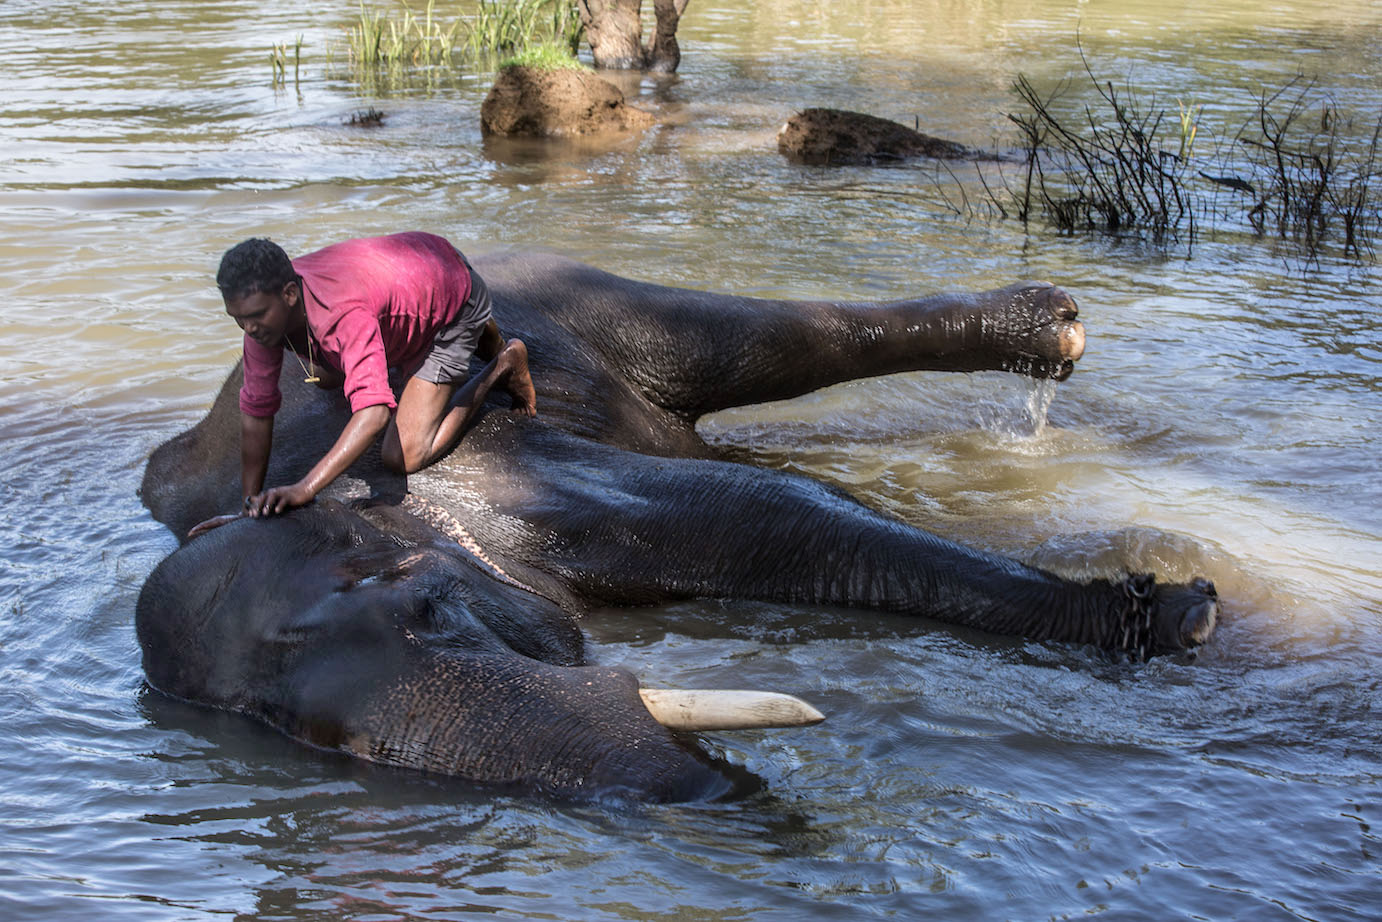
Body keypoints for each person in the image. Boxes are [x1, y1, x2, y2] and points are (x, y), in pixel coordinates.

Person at [188, 232, 536, 537]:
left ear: (290, 293)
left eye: (257, 315)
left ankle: (501, 361)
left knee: (403, 454)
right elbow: (257, 412)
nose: (248, 329)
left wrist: (304, 488)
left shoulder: (340, 315)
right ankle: (473, 320)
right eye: (238, 319)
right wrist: (249, 506)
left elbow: (374, 415)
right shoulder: (264, 322)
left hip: (447, 290)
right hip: (419, 268)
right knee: (324, 379)